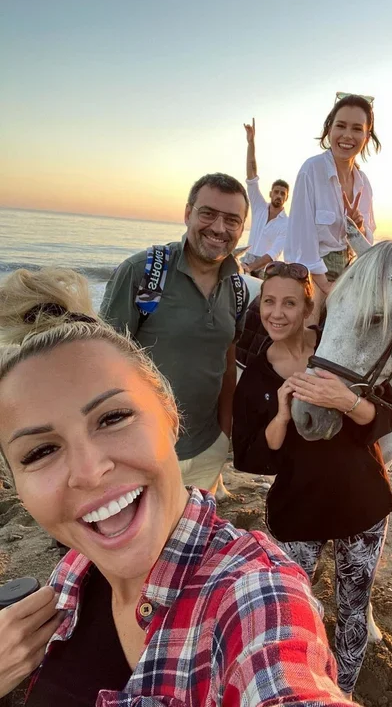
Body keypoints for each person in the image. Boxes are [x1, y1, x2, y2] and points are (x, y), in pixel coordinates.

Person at [0, 267, 357, 707]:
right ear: (14, 483)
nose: (89, 472)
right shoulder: (74, 571)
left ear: (170, 415)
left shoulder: (255, 596)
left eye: (113, 418)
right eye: (40, 452)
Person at [232, 261, 392, 696]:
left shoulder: (339, 347)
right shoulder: (256, 375)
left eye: (290, 303)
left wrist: (346, 400)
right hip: (297, 512)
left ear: (309, 309)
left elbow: (388, 415)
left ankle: (343, 692)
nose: (277, 313)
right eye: (269, 302)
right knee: (291, 610)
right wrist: (281, 418)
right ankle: (299, 688)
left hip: (362, 504)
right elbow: (249, 456)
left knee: (353, 610)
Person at [100, 173, 248, 494]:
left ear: (241, 228)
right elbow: (103, 367)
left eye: (232, 220)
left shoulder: (237, 287)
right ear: (188, 213)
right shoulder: (143, 272)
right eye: (208, 213)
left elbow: (226, 362)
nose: (219, 228)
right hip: (146, 451)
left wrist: (223, 435)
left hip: (208, 449)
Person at [283, 94, 380, 323]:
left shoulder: (363, 183)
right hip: (309, 271)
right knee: (310, 325)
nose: (347, 135)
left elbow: (367, 244)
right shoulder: (312, 170)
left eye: (357, 129)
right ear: (329, 129)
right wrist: (324, 284)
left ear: (367, 136)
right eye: (341, 126)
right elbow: (302, 237)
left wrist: (358, 228)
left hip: (347, 271)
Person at [242, 118, 289, 277]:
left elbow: (274, 253)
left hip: (265, 268)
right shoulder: (259, 207)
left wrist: (251, 268)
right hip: (247, 260)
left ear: (286, 198)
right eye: (276, 192)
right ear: (270, 193)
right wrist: (251, 143)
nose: (279, 195)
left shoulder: (286, 223)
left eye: (283, 193)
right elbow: (252, 176)